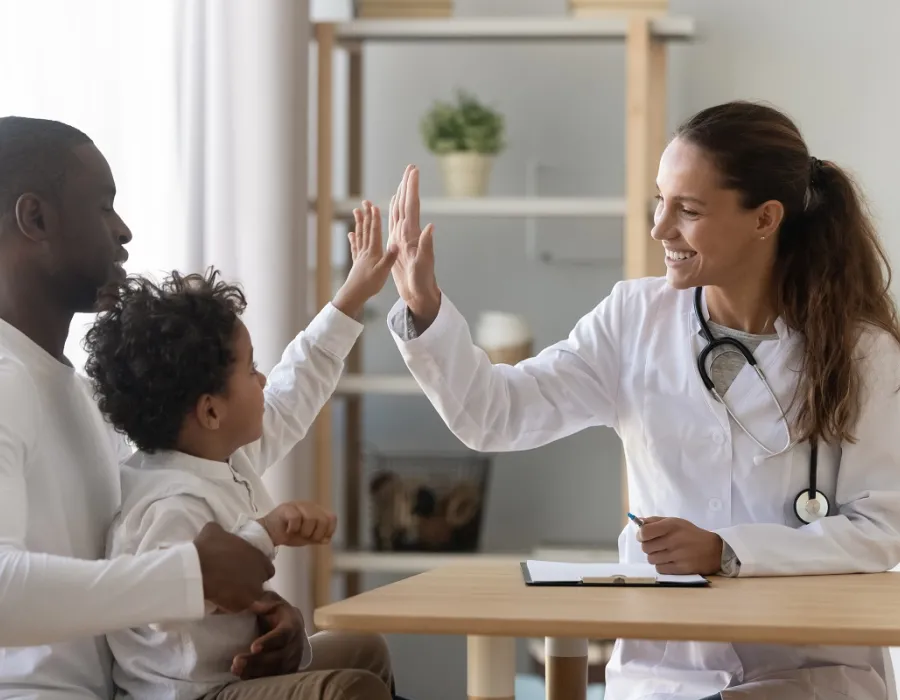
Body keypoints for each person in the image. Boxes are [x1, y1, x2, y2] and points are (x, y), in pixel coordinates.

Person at [383, 102, 900, 700]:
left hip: (807, 674)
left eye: (689, 209)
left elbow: (881, 527)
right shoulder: (633, 319)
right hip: (665, 672)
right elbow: (496, 416)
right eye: (660, 200)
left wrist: (728, 550)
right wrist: (424, 310)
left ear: (765, 219)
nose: (660, 228)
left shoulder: (864, 353)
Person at [0, 116, 285, 700]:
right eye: (103, 206)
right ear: (35, 219)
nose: (123, 230)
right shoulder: (4, 382)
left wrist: (251, 613)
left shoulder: (71, 391)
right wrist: (190, 576)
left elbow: (129, 577)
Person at [85, 202, 397, 700]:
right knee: (348, 689)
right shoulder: (163, 501)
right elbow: (163, 597)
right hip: (193, 695)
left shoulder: (223, 457)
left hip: (236, 678)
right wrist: (266, 532)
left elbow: (299, 385)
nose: (264, 379)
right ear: (211, 411)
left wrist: (353, 293)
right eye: (252, 369)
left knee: (364, 649)